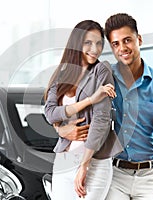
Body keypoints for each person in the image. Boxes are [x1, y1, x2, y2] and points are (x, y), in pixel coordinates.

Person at [44, 20, 122, 200]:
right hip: (64, 161)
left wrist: (84, 166)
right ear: (76, 43)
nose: (94, 49)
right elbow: (50, 113)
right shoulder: (62, 73)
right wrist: (61, 129)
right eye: (88, 43)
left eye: (99, 43)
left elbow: (101, 120)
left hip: (93, 162)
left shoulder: (102, 71)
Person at [104, 13, 153, 200]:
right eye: (116, 44)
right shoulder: (104, 78)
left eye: (127, 40)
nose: (122, 48)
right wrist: (66, 128)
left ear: (139, 40)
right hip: (114, 174)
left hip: (148, 176)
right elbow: (74, 101)